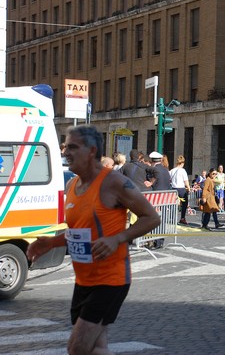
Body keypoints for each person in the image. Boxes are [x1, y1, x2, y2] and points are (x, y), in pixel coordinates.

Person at [26, 125, 160, 355]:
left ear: (91, 150)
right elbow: (78, 233)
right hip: (84, 280)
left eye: (72, 147)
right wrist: (50, 243)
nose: (65, 152)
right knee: (96, 348)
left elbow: (152, 217)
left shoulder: (114, 182)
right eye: (66, 146)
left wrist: (118, 239)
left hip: (110, 280)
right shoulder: (72, 185)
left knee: (77, 348)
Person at [170, 155, 191, 225]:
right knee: (184, 204)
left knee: (173, 204)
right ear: (183, 163)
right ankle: (182, 218)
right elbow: (185, 181)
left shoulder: (172, 170)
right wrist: (188, 187)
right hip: (181, 189)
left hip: (173, 188)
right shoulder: (183, 171)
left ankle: (172, 218)